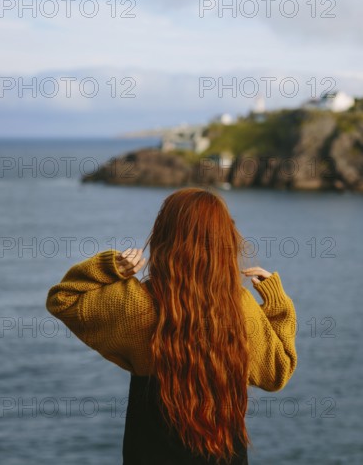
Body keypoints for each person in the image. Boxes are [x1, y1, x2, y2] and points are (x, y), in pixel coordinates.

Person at [46, 187, 297, 465]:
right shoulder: (239, 308)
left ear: (163, 236)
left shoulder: (136, 303)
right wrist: (277, 305)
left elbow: (63, 299)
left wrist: (111, 267)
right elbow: (277, 373)